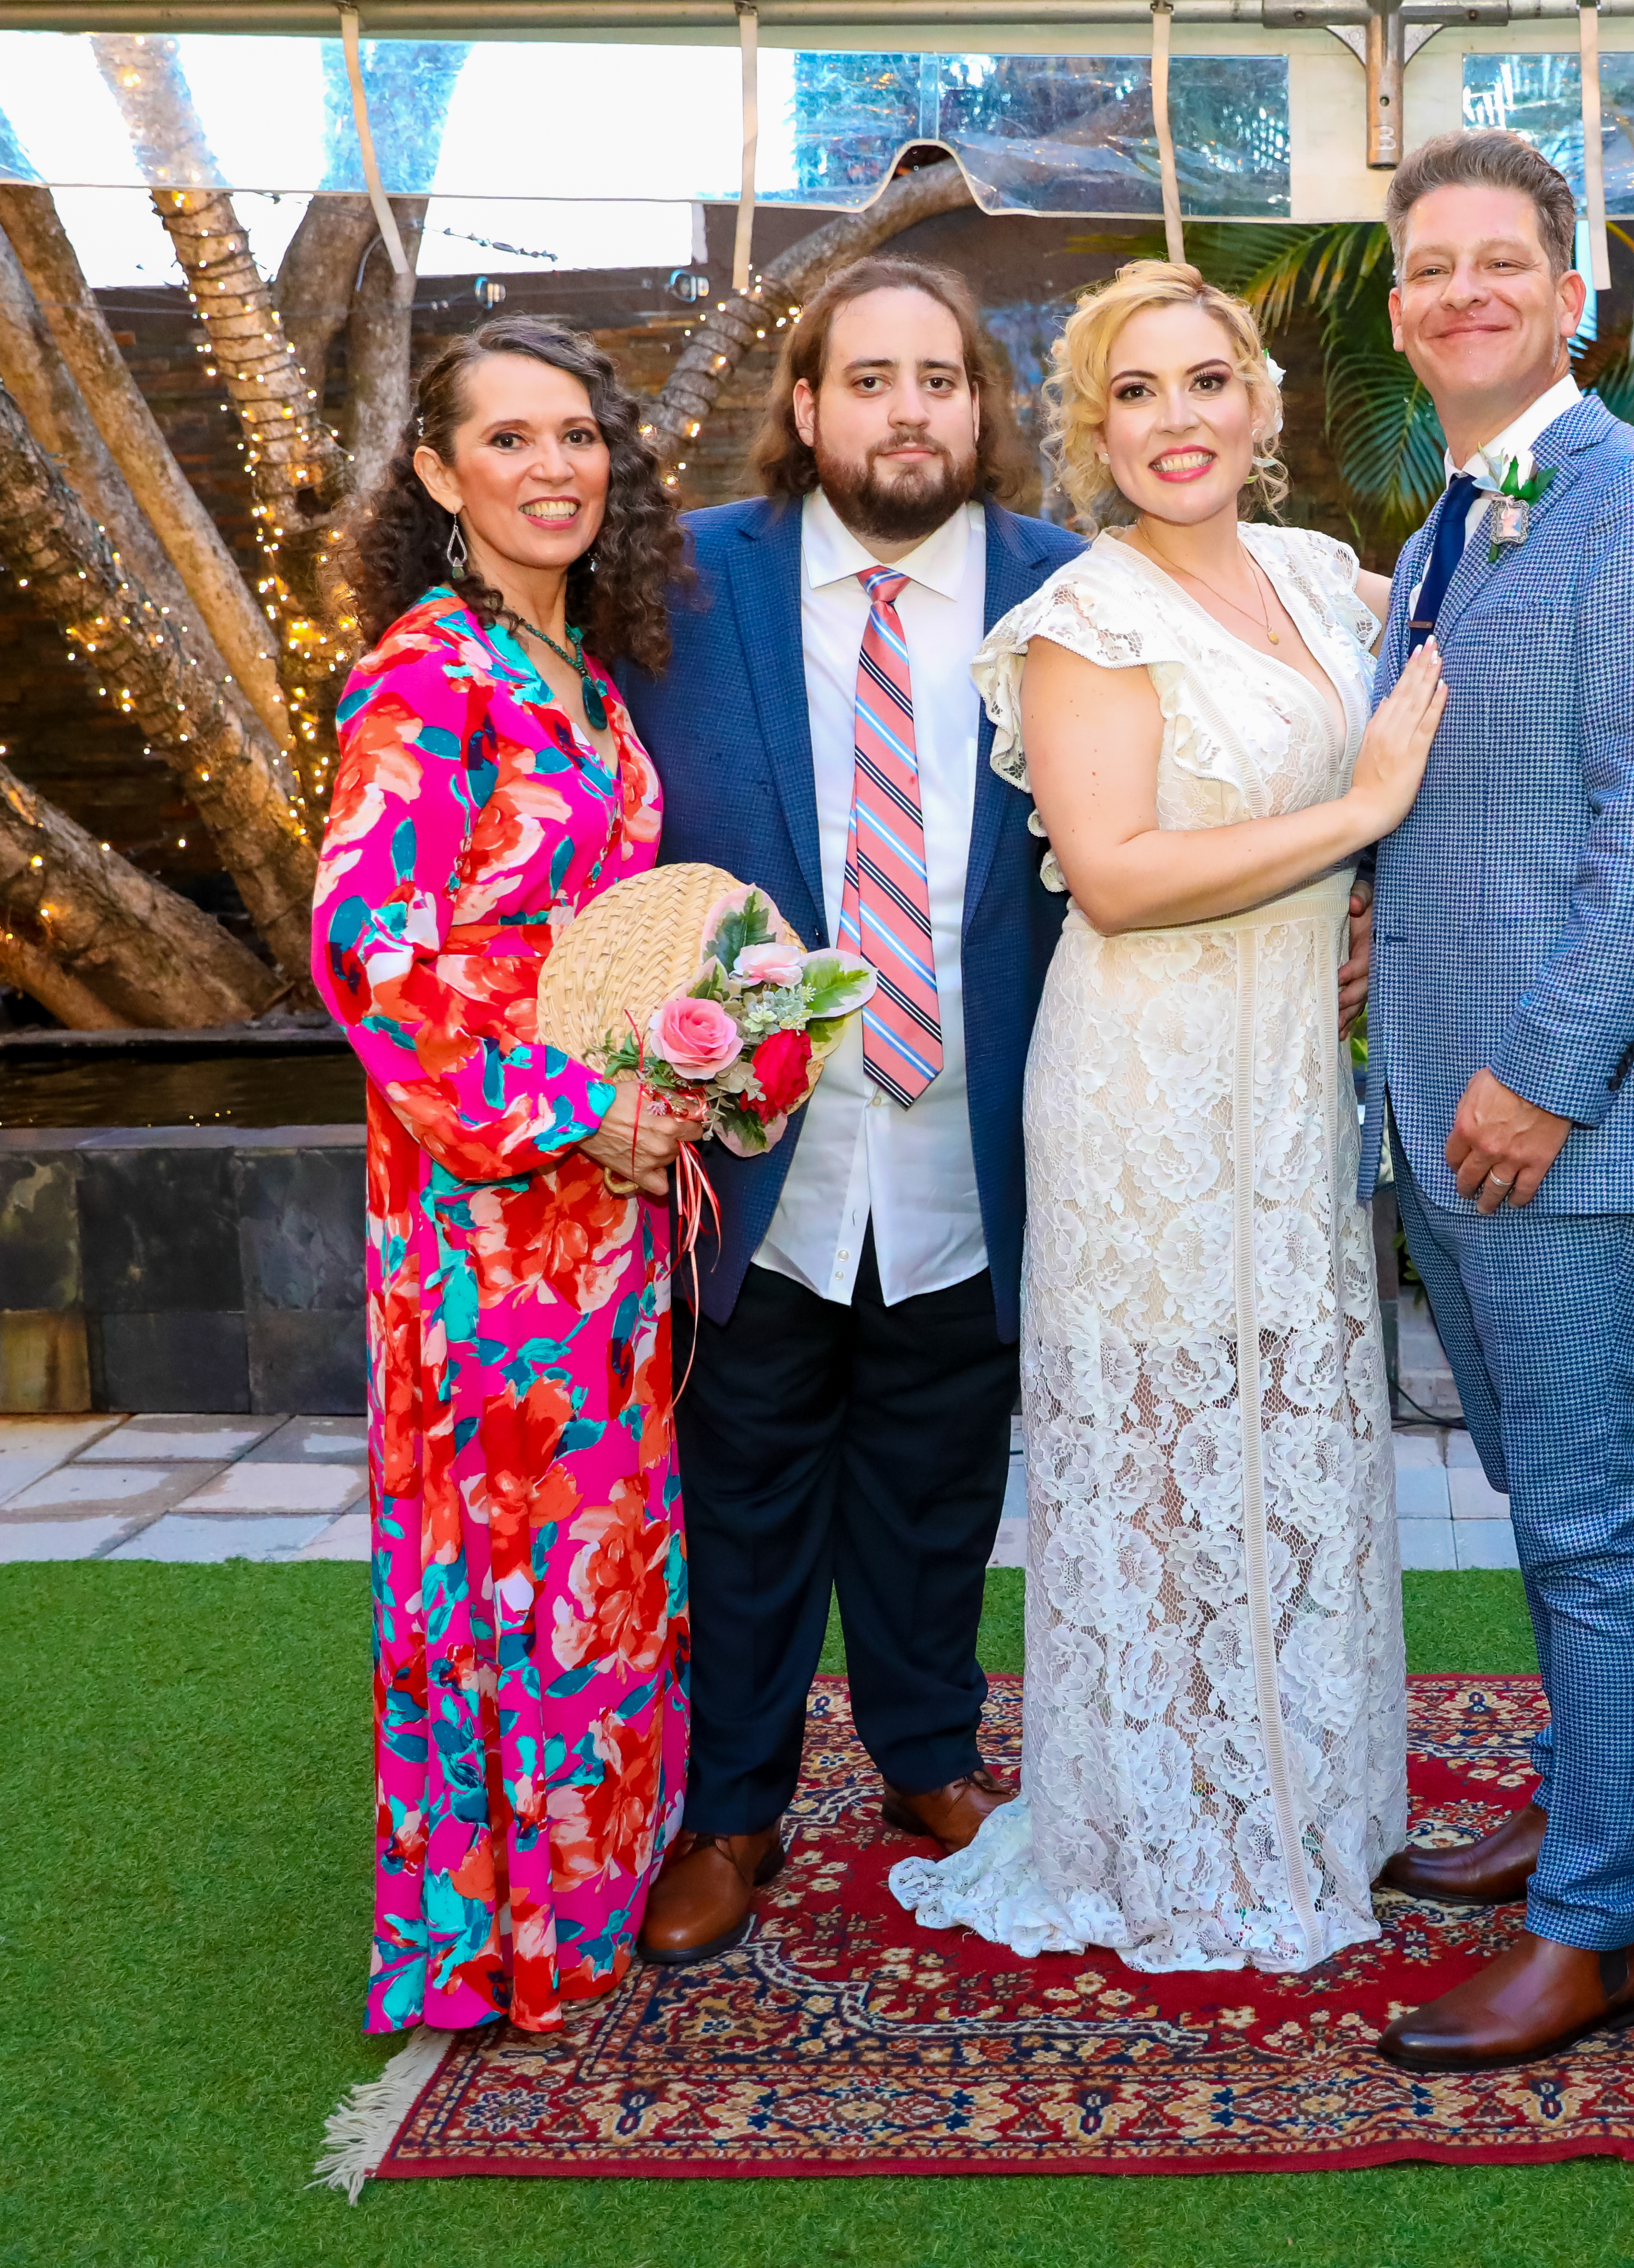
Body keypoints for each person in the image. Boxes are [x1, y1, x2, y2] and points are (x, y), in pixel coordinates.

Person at [889, 261, 1439, 1973]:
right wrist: (1363, 815)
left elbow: (1475, 610)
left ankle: (1306, 1797)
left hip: (1283, 1073)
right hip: (1143, 1083)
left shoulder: (1317, 578)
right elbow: (1116, 880)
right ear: (1092, 430)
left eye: (1208, 384)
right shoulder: (1080, 623)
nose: (1177, 421)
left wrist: (1367, 907)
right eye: (1136, 394)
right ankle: (1171, 1829)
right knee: (1157, 1460)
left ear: (1264, 409)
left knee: (1289, 1441)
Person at [610, 257, 1088, 1968]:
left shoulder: (1072, 591)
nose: (908, 411)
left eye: (942, 379)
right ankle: (732, 1807)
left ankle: (927, 1756)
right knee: (741, 1481)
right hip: (753, 1147)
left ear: (983, 409)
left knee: (940, 1469)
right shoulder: (674, 586)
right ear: (804, 411)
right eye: (869, 380)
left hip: (977, 1130)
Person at [1355, 131, 1634, 2069]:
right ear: (1398, 305)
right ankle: (1579, 1809)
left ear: (1572, 287)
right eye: (1427, 267)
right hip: (1444, 1107)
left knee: (1596, 1523)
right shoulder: (1447, 525)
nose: (1462, 293)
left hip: (1563, 1120)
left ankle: (1600, 1928)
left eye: (1498, 261)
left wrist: (1544, 1070)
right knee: (1538, 1499)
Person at [314, 315, 702, 2035]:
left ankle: (588, 1897)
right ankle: (497, 1932)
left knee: (597, 1546)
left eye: (578, 436)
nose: (554, 467)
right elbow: (370, 953)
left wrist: (688, 1064)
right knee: (512, 1553)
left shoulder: (582, 677)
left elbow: (601, 943)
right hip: (485, 1227)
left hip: (602, 1222)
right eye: (510, 439)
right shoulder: (424, 673)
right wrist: (573, 1102)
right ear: (434, 470)